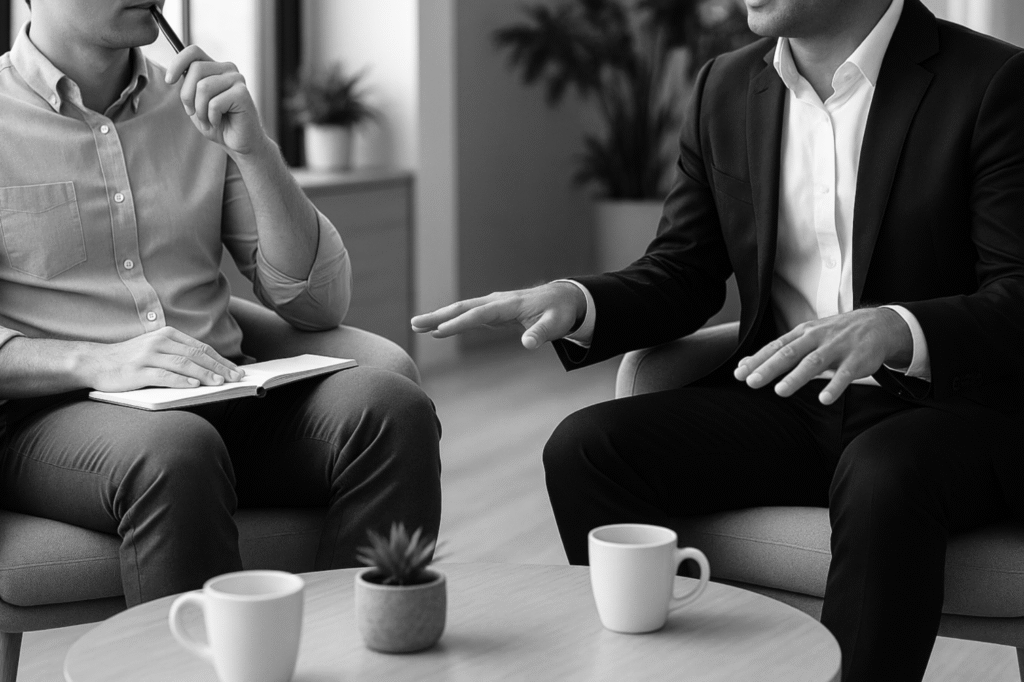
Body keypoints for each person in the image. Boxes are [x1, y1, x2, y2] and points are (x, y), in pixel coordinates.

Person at [412, 0, 1024, 679]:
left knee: (885, 472)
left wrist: (895, 329)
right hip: (791, 402)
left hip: (955, 409)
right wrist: (575, 299)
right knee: (588, 449)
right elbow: (684, 272)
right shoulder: (724, 86)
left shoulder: (993, 83)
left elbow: (1018, 295)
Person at [0, 0, 441, 606]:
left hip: (222, 392)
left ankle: (358, 655)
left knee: (392, 409)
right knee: (177, 450)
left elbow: (316, 305)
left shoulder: (195, 105)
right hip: (53, 417)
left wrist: (253, 147)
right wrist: (99, 361)